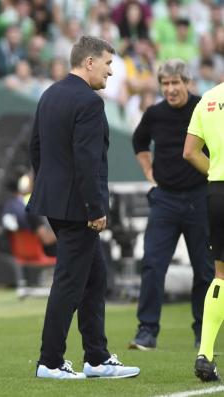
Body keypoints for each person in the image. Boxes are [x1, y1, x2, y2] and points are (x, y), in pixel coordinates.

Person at [27, 35, 140, 380]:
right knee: (70, 282)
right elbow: (88, 161)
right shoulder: (90, 104)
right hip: (79, 207)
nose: (111, 72)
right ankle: (50, 361)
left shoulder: (49, 94)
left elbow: (36, 149)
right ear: (88, 62)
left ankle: (97, 357)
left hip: (55, 202)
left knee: (94, 278)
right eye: (108, 64)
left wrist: (50, 189)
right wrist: (96, 208)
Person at [129, 59, 213, 351]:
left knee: (205, 270)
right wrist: (148, 172)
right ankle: (146, 332)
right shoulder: (154, 113)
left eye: (175, 83)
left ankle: (203, 333)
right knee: (152, 265)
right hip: (164, 198)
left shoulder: (204, 108)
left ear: (187, 83)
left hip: (200, 197)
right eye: (165, 84)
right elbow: (139, 142)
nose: (170, 89)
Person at [183, 80, 224, 382]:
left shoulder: (208, 99)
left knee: (221, 275)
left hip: (218, 192)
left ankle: (205, 354)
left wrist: (216, 170)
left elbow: (189, 152)